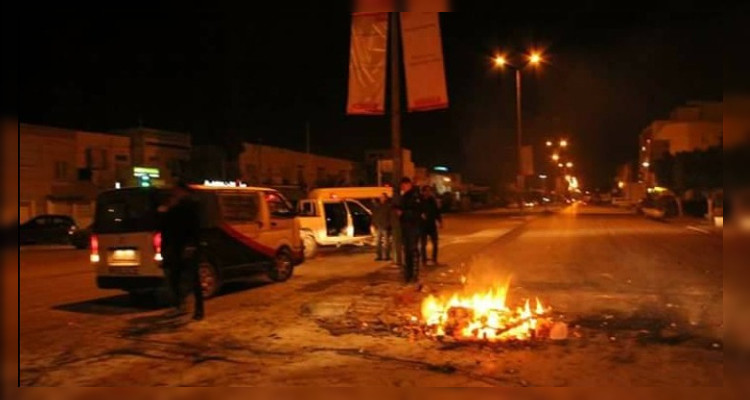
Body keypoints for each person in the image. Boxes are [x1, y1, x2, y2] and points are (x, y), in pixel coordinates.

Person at [159, 182, 204, 320]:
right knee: (175, 277)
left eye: (177, 190)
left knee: (193, 279)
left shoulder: (190, 205)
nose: (175, 193)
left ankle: (198, 310)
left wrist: (192, 245)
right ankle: (180, 305)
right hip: (175, 247)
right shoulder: (173, 206)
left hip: (187, 246)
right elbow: (165, 228)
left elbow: (194, 228)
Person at [395, 177, 422, 283]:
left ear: (409, 185)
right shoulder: (405, 196)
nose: (402, 187)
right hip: (406, 226)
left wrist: (403, 213)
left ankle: (414, 274)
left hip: (413, 227)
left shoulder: (414, 196)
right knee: (407, 251)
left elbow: (417, 211)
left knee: (412, 250)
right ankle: (408, 274)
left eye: (404, 185)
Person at [420, 186, 442, 266]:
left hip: (432, 224)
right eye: (426, 191)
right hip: (423, 225)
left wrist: (439, 221)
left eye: (429, 191)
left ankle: (434, 259)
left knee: (435, 242)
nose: (428, 193)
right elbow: (416, 211)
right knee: (423, 244)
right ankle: (424, 260)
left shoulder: (432, 200)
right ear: (423, 192)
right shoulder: (420, 201)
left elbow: (437, 212)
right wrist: (420, 215)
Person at [372, 193, 393, 261]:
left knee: (386, 242)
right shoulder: (377, 206)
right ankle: (379, 256)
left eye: (383, 197)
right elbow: (374, 215)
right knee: (378, 242)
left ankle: (386, 256)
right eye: (381, 197)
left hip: (385, 226)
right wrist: (374, 224)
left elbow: (390, 216)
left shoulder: (388, 206)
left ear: (386, 198)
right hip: (379, 226)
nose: (382, 198)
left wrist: (388, 224)